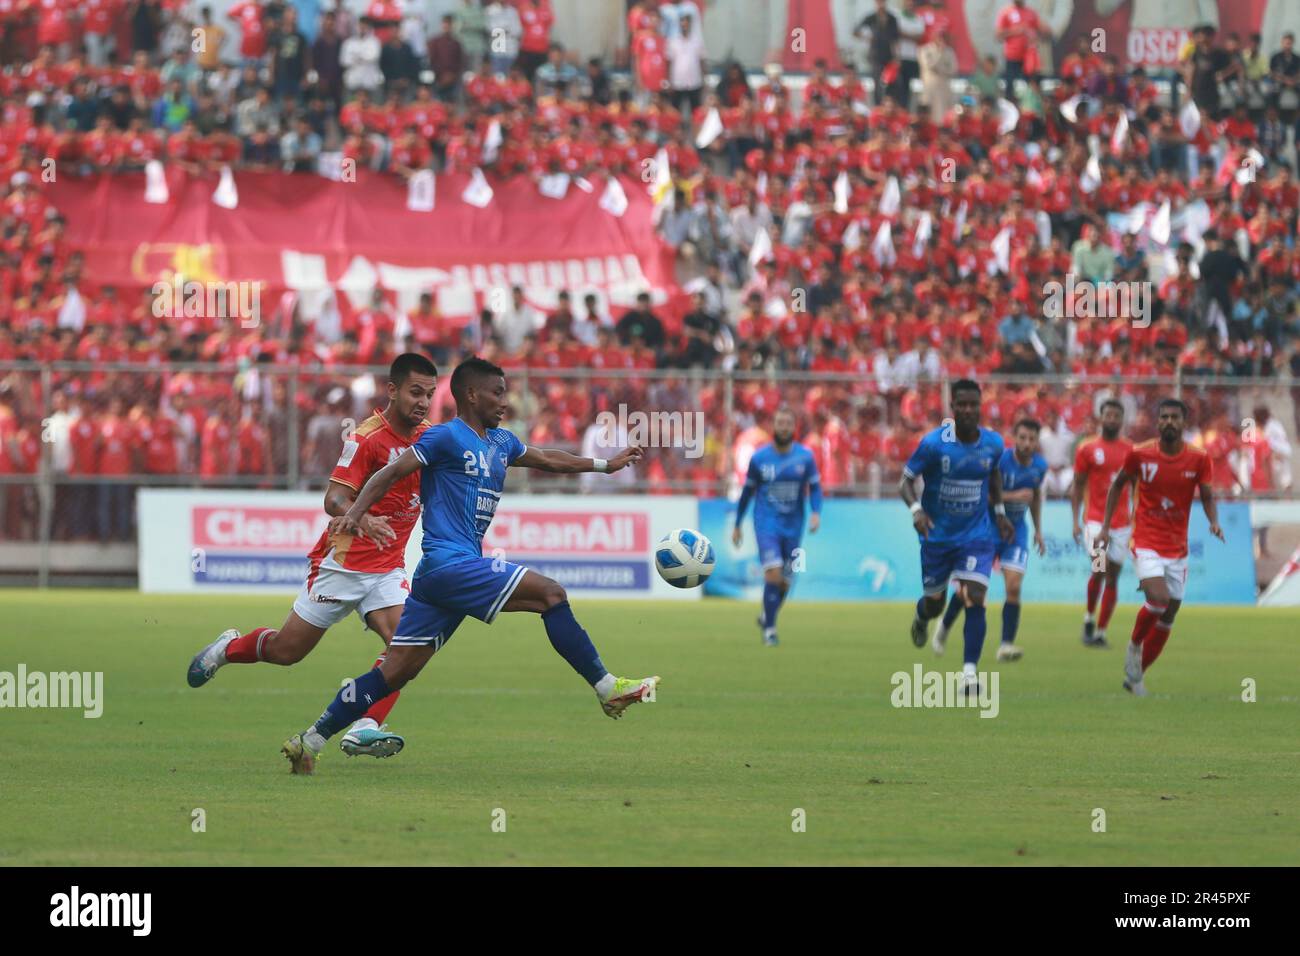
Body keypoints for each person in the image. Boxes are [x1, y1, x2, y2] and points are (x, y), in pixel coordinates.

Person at [280, 358, 656, 774]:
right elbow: (388, 473)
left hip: (443, 577)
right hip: (448, 564)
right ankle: (606, 687)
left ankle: (308, 741)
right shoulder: (444, 438)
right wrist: (357, 514)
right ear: (472, 395)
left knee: (394, 673)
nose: (505, 401)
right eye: (497, 392)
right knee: (551, 594)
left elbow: (548, 459)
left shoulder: (502, 442)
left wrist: (606, 465)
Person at [185, 354, 439, 760]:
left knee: (406, 649)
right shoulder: (366, 438)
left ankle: (365, 725)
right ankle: (228, 648)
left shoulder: (431, 439)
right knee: (287, 651)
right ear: (392, 390)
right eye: (415, 392)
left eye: (429, 393)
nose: (423, 402)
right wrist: (362, 517)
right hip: (342, 561)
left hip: (388, 567)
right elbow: (333, 498)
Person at [1095, 399, 1225, 697]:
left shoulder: (1199, 458)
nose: (1168, 421)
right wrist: (1104, 527)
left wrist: (1214, 521)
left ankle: (1137, 675)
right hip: (1146, 541)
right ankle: (1134, 645)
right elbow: (1118, 486)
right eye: (1163, 417)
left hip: (1177, 548)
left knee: (1169, 613)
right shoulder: (1140, 454)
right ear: (1157, 422)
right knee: (1158, 599)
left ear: (1184, 422)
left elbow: (1206, 495)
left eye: (1174, 417)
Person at [900, 380, 1014, 695]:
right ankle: (923, 617)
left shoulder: (992, 443)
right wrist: (916, 511)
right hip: (936, 537)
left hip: (976, 534)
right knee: (935, 604)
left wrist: (1001, 512)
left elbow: (993, 474)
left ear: (980, 407)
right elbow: (905, 482)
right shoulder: (934, 444)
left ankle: (969, 674)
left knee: (975, 595)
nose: (967, 410)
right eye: (961, 404)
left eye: (972, 404)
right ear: (953, 408)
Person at [932, 418, 1046, 662]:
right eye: (1022, 437)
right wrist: (1015, 495)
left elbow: (1034, 498)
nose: (1027, 443)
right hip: (985, 530)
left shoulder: (1040, 466)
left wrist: (1038, 530)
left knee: (1014, 587)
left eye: (1032, 439)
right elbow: (983, 494)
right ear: (1014, 438)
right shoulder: (1000, 461)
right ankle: (945, 624)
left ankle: (1006, 645)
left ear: (1037, 441)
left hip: (1016, 532)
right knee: (970, 592)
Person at [731, 407, 822, 647]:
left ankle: (766, 615)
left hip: (794, 526)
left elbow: (815, 488)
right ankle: (770, 629)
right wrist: (738, 523)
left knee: (784, 582)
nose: (783, 427)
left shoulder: (805, 457)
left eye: (787, 423)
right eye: (779, 422)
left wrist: (816, 513)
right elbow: (747, 492)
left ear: (794, 428)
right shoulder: (760, 458)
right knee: (772, 573)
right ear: (773, 427)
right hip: (766, 524)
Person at [1071, 399, 1133, 648]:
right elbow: (1077, 485)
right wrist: (1075, 521)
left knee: (1113, 578)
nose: (1112, 419)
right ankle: (1088, 618)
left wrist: (1138, 518)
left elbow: (1138, 485)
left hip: (1122, 524)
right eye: (1108, 414)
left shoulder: (1131, 450)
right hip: (1095, 521)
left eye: (1116, 415)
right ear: (1101, 417)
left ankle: (1101, 631)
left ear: (1122, 419)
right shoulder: (1087, 448)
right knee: (1099, 568)